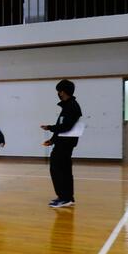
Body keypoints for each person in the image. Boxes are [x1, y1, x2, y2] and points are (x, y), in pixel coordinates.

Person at [41, 79, 82, 208]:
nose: (58, 94)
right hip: (62, 143)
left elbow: (65, 127)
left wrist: (50, 128)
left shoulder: (72, 107)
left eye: (59, 91)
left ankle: (65, 197)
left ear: (63, 92)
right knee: (63, 170)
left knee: (59, 169)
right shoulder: (68, 106)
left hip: (65, 144)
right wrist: (52, 140)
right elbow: (61, 126)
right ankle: (66, 197)